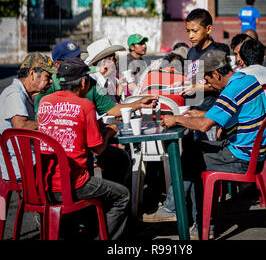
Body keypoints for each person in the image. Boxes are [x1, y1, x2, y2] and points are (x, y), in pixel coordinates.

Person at [144, 50, 266, 240]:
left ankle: (197, 222)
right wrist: (203, 114)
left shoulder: (231, 89)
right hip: (253, 152)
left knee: (192, 160)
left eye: (208, 80)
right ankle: (176, 208)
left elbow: (204, 127)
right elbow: (225, 112)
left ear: (216, 74)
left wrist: (177, 120)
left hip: (243, 158)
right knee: (193, 152)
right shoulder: (246, 79)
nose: (208, 85)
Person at [34, 40, 158, 186]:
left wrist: (138, 103)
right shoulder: (50, 85)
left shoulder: (91, 82)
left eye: (78, 58)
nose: (77, 62)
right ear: (58, 65)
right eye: (71, 60)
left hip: (88, 144)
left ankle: (102, 196)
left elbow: (111, 108)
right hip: (62, 149)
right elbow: (41, 117)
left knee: (120, 159)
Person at [37, 57, 130, 240]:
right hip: (74, 184)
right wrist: (110, 131)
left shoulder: (45, 102)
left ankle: (88, 225)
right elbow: (98, 150)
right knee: (122, 196)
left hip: (45, 182)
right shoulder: (85, 106)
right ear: (83, 82)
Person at [0, 52, 56, 180]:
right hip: (20, 168)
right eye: (47, 76)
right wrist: (50, 122)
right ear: (32, 73)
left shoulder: (23, 94)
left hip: (26, 163)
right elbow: (21, 125)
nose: (51, 81)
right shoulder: (14, 94)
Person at [180, 8, 230, 112]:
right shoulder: (191, 52)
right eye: (188, 31)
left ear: (208, 29)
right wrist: (181, 84)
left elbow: (224, 84)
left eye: (195, 31)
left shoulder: (218, 50)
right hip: (192, 106)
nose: (190, 36)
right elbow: (192, 78)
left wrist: (199, 88)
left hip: (210, 109)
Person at [84, 38, 126, 102]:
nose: (116, 62)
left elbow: (112, 104)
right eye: (114, 59)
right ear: (104, 63)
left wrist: (120, 86)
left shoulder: (107, 80)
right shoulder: (92, 83)